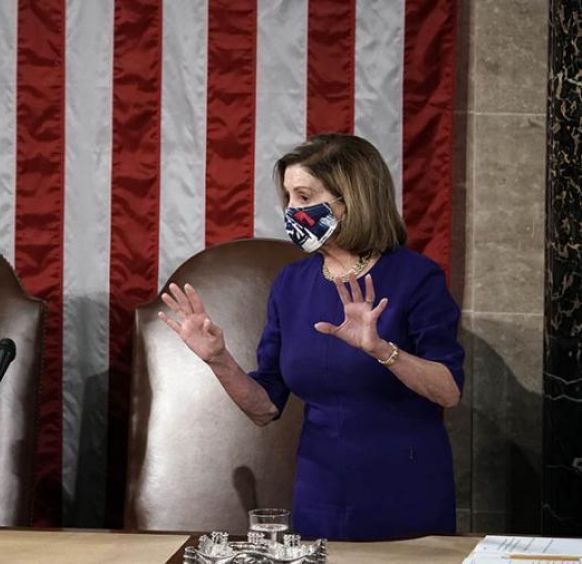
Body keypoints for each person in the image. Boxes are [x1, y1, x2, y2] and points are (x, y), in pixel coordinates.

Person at [159, 134, 464, 541]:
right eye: (287, 198)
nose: (291, 210)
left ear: (349, 200)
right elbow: (265, 407)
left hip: (405, 491)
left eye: (303, 197)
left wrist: (380, 349)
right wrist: (218, 359)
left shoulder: (416, 277)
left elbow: (448, 391)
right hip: (319, 495)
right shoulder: (291, 283)